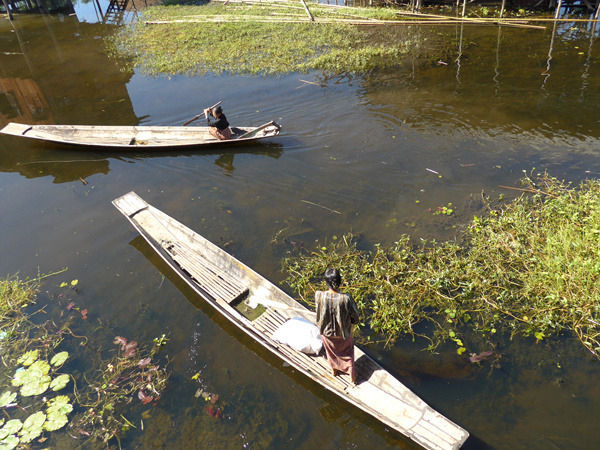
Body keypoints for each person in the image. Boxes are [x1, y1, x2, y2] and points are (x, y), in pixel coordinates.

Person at [315, 268, 360, 384]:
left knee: (331, 352)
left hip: (326, 334)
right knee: (348, 352)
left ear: (326, 282)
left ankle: (334, 370)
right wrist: (352, 321)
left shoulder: (318, 295)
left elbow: (319, 314)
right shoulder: (346, 298)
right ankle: (351, 375)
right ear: (340, 281)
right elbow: (355, 317)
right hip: (342, 335)